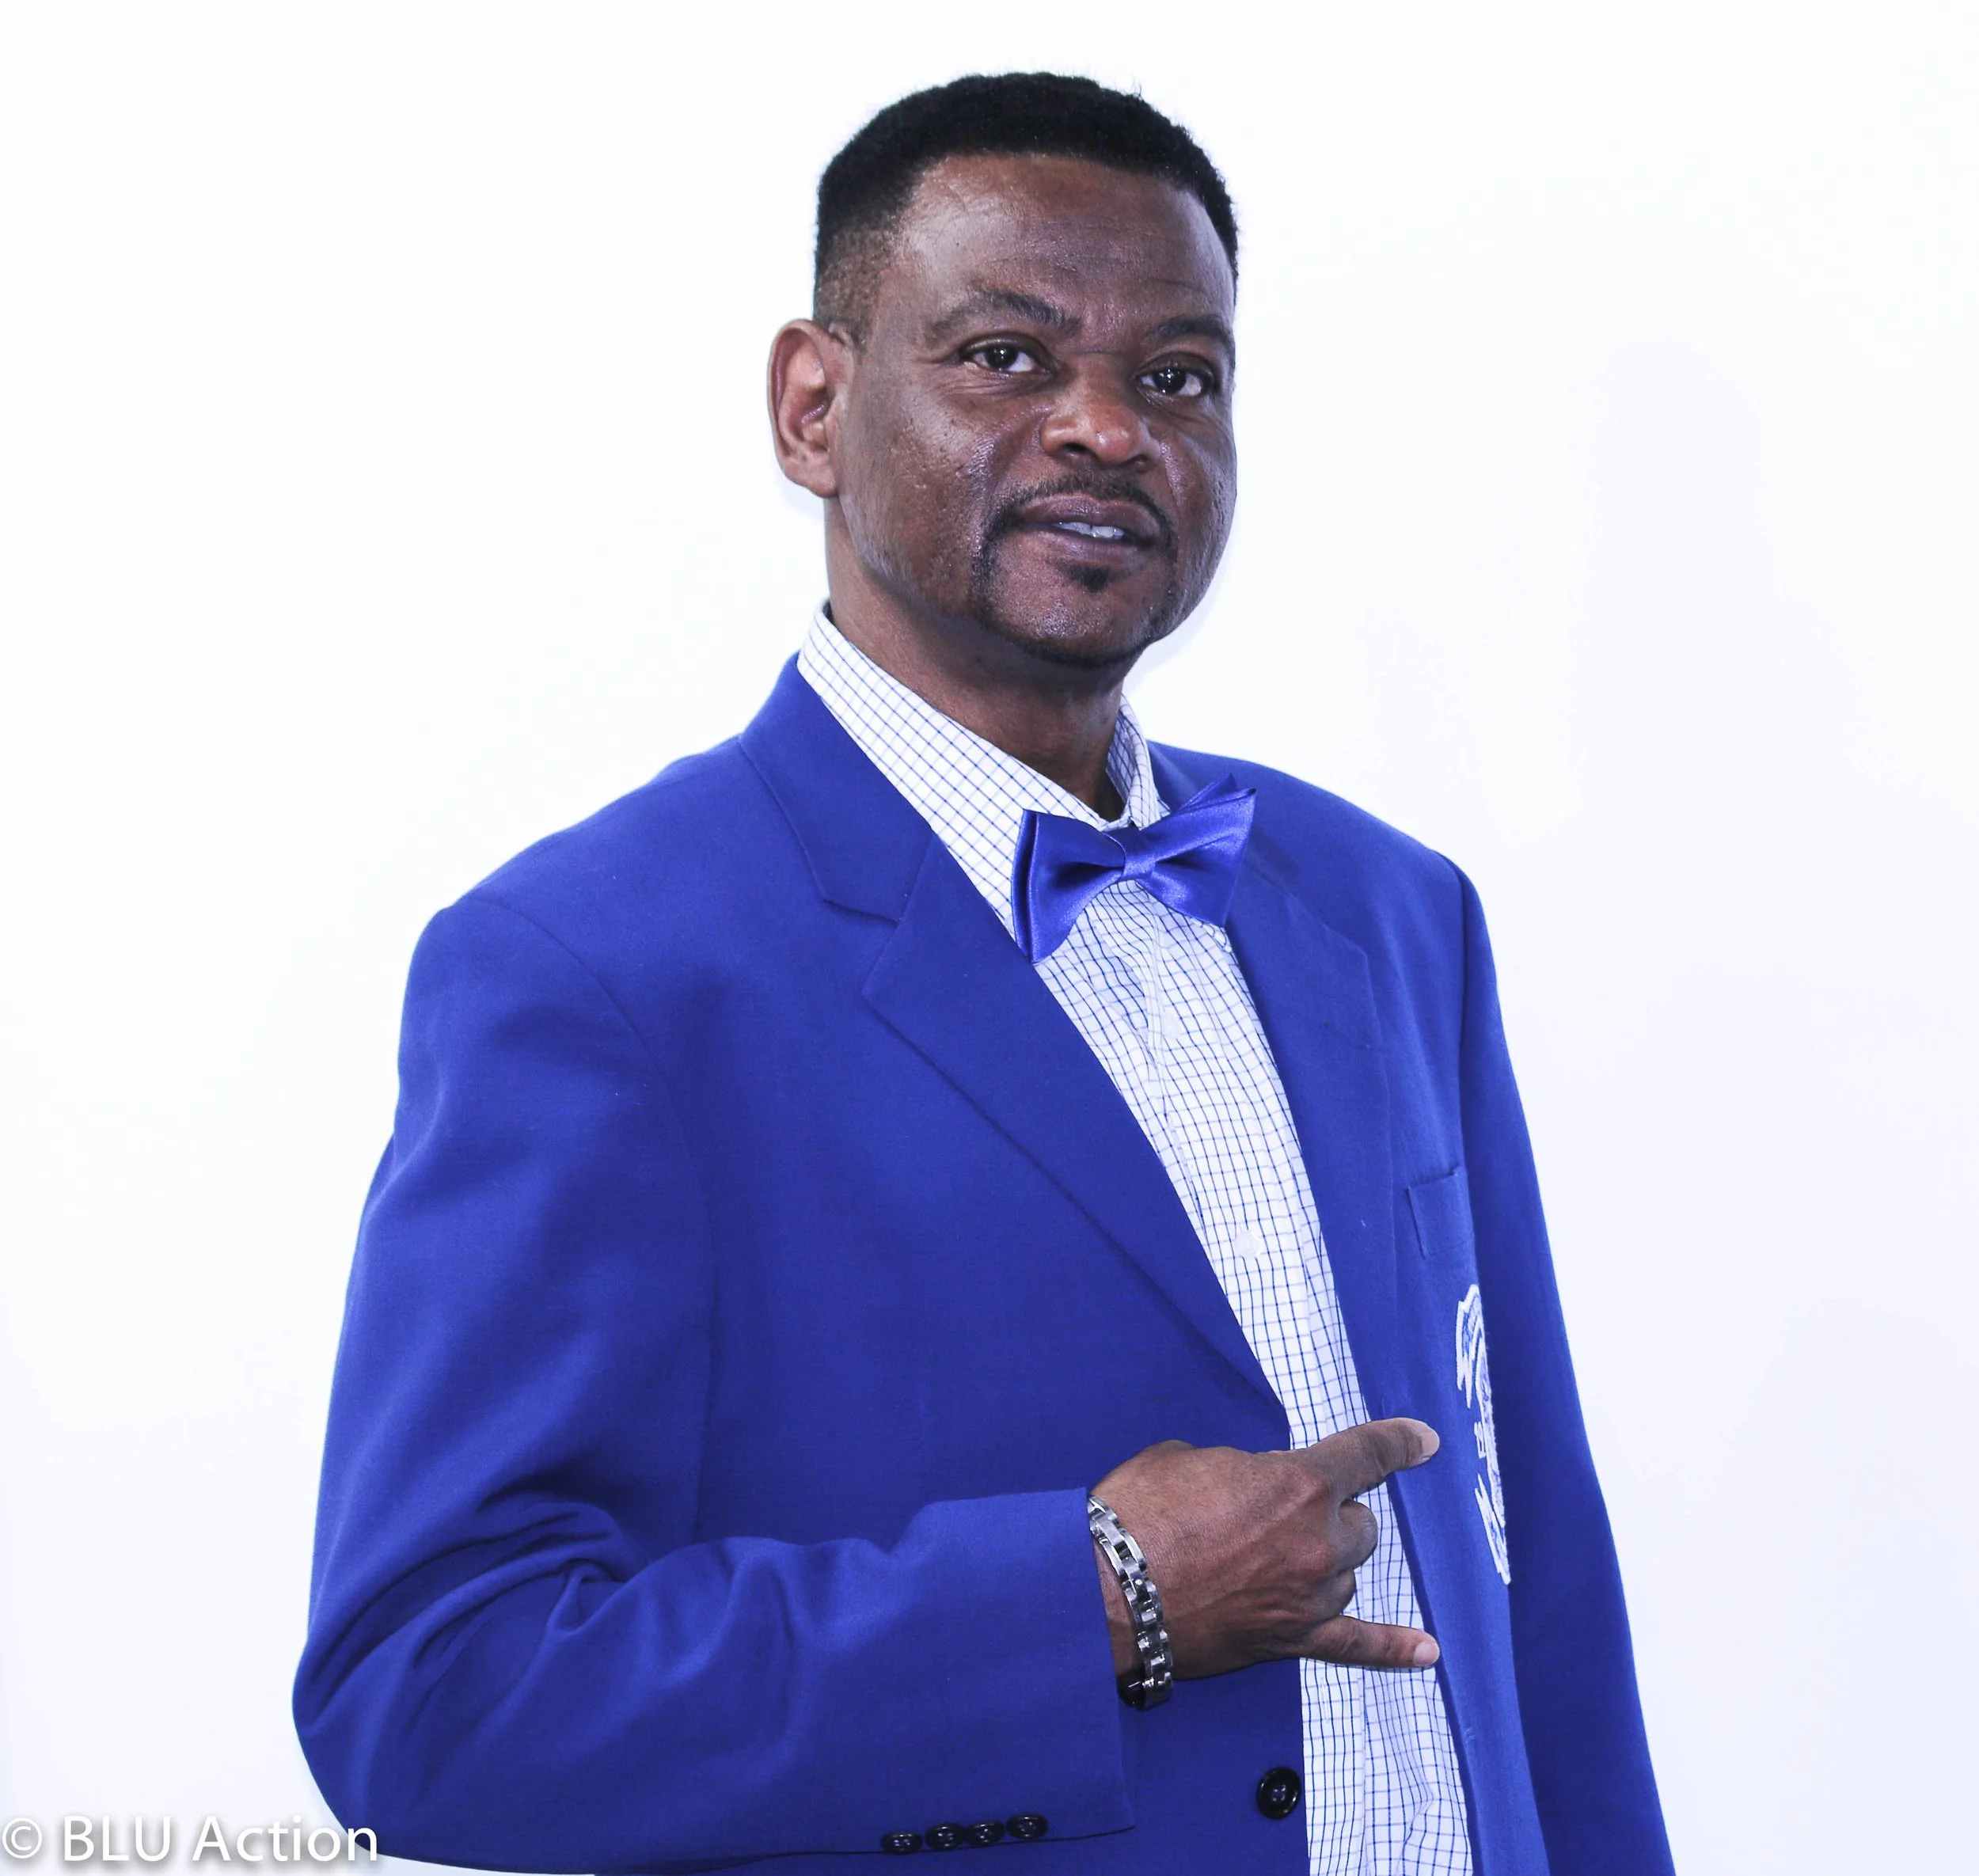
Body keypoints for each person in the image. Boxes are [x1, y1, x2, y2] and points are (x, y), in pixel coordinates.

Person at [294, 73, 1672, 1876]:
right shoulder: (590, 970)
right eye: (1006, 358)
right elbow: (434, 1694)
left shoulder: (1388, 909)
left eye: (1177, 376)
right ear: (812, 406)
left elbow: (1530, 1571)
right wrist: (1091, 1600)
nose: (1107, 429)